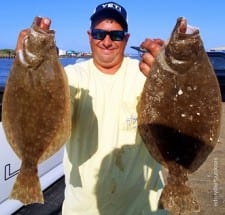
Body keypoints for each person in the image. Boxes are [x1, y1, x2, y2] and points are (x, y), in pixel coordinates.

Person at [15, 2, 168, 214]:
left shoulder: (147, 75)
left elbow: (174, 120)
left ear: (126, 38)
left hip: (144, 208)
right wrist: (28, 68)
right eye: (99, 34)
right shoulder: (70, 77)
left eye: (115, 35)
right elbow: (40, 105)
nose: (106, 41)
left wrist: (172, 78)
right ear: (89, 36)